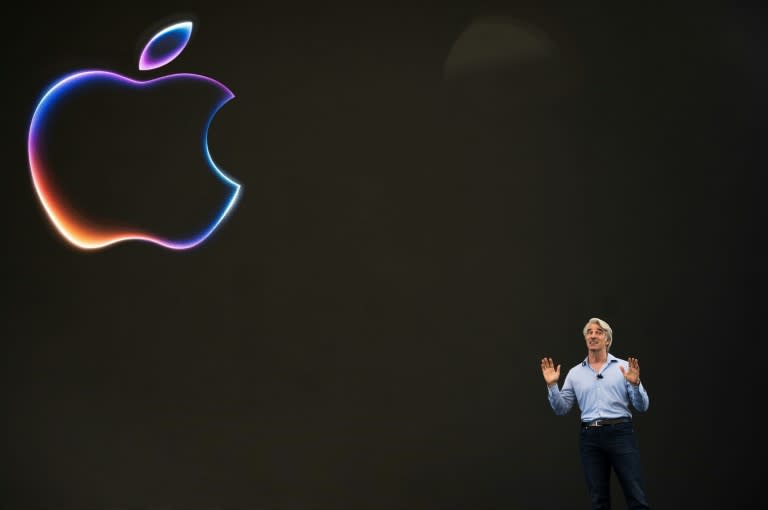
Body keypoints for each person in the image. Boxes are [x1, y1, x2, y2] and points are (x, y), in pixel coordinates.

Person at [541, 317, 650, 510]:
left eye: (598, 332)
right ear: (585, 339)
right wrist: (552, 386)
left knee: (635, 495)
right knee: (598, 500)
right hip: (590, 438)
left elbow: (642, 406)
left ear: (607, 339)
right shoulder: (575, 373)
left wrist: (635, 384)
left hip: (620, 433)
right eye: (589, 332)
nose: (593, 335)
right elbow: (561, 409)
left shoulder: (624, 368)